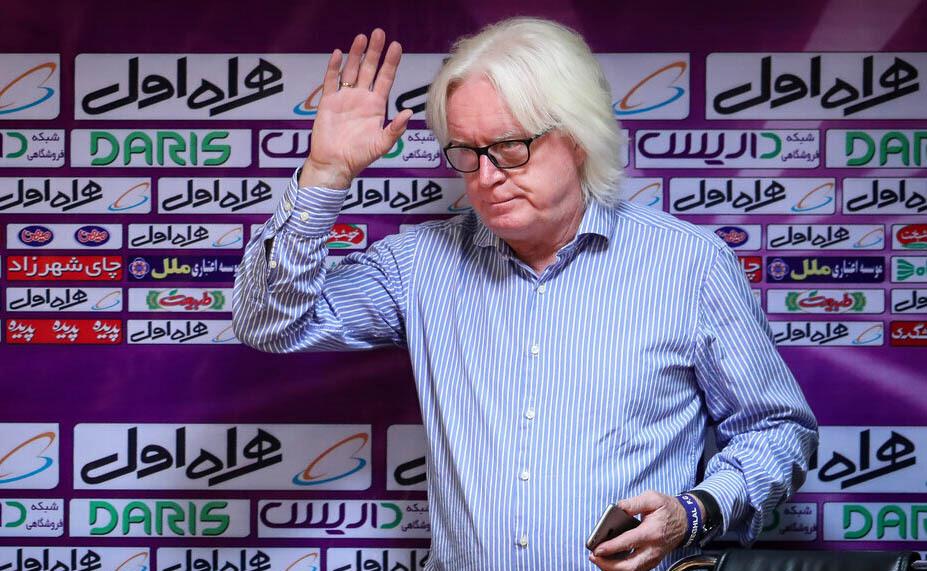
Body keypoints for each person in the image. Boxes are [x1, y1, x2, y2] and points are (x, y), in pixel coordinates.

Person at [233, 17, 818, 571]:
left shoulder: (689, 265)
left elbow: (778, 428)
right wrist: (326, 172)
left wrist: (696, 512)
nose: (486, 177)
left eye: (511, 146)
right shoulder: (418, 265)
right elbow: (269, 323)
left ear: (579, 136)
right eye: (467, 153)